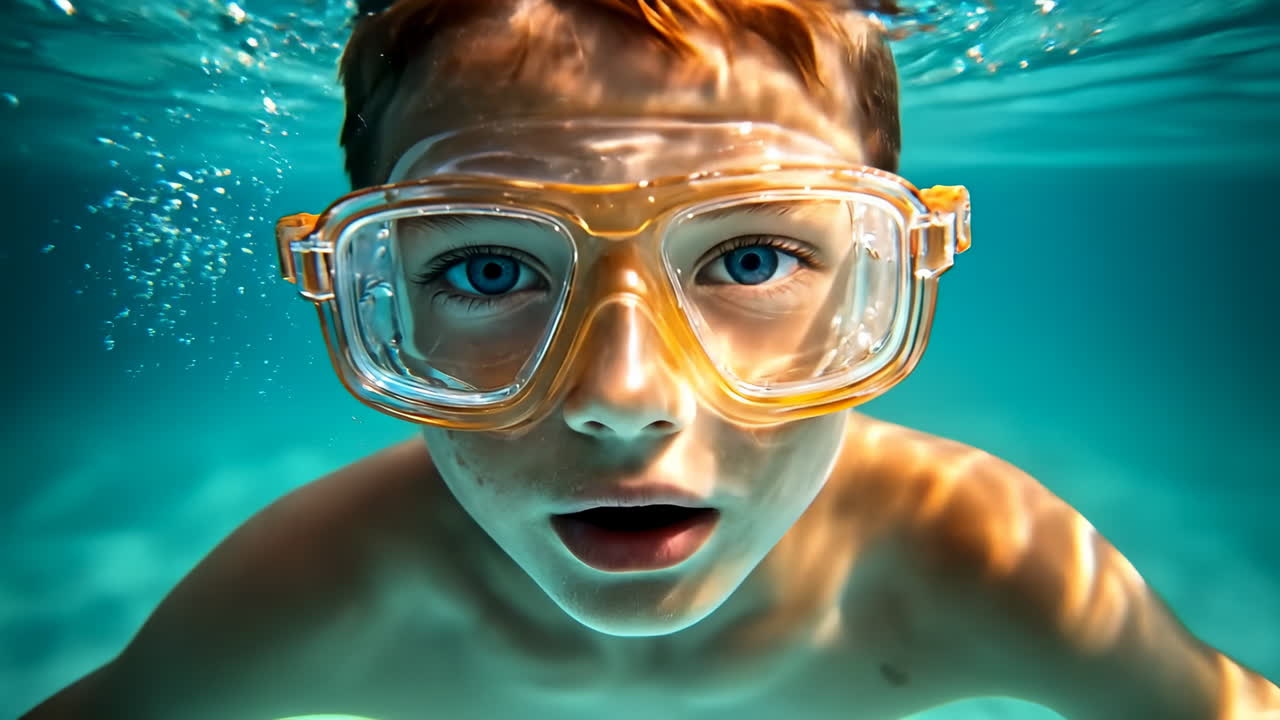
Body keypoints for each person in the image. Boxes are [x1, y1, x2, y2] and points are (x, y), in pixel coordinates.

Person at [24, 1, 1280, 718]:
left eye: (746, 261)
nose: (624, 399)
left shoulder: (984, 563)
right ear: (364, 298)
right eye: (486, 269)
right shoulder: (317, 590)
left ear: (885, 279)